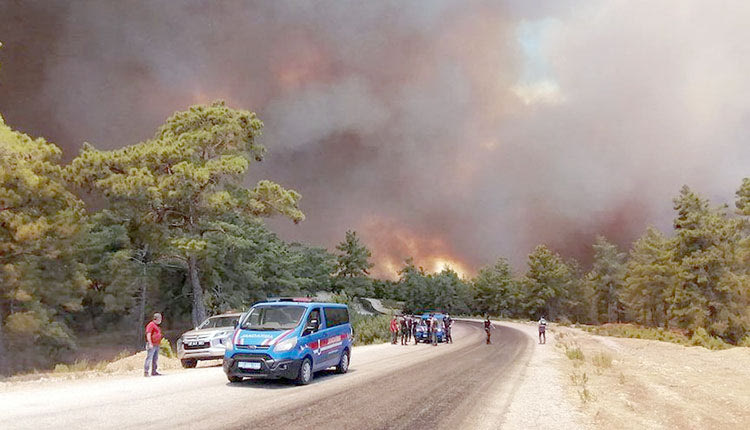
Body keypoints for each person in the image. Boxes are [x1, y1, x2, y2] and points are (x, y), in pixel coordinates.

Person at [144, 312, 163, 377]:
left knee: (155, 358)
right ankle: (146, 372)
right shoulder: (151, 325)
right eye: (160, 318)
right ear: (156, 319)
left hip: (157, 344)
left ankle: (154, 371)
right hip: (152, 344)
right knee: (149, 358)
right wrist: (150, 343)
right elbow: (148, 334)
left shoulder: (156, 326)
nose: (161, 320)